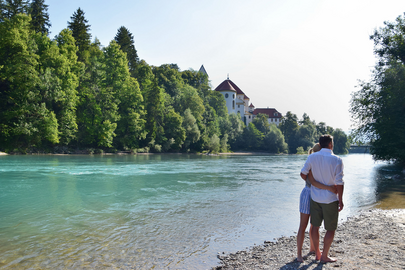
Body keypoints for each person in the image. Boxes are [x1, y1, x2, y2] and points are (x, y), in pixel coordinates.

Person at [300, 135, 344, 263]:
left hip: (315, 197)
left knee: (315, 226)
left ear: (320, 143)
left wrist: (313, 183)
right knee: (330, 228)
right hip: (330, 199)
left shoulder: (312, 157)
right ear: (330, 144)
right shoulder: (337, 159)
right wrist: (340, 200)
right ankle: (324, 256)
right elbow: (340, 183)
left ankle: (317, 253)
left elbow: (303, 174)